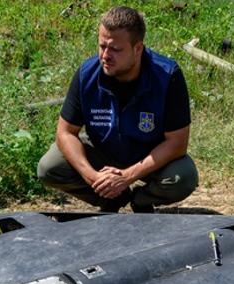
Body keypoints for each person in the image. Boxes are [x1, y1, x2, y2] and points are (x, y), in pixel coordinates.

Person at [37, 6, 198, 213]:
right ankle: (111, 198)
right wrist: (93, 177)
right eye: (102, 46)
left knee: (183, 177)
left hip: (148, 157)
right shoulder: (87, 74)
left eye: (115, 49)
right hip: (103, 154)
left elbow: (177, 143)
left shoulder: (167, 76)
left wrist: (127, 176)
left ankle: (140, 201)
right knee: (49, 167)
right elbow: (65, 132)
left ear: (137, 49)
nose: (105, 55)